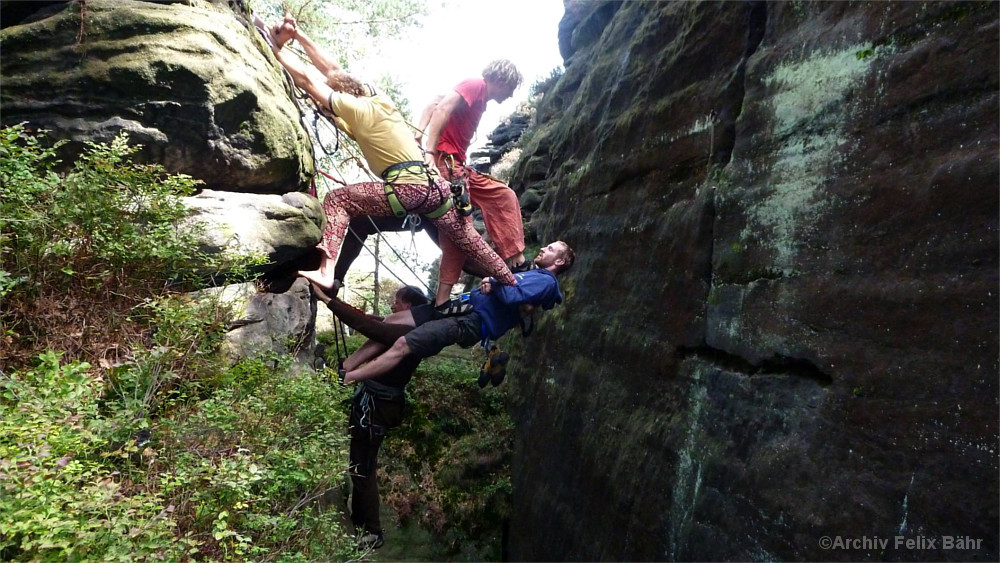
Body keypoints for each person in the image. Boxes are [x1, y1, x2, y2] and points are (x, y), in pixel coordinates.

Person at [267, 17, 516, 291]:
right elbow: (333, 71)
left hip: (408, 187)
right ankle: (514, 281)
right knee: (474, 243)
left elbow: (307, 81)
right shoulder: (379, 99)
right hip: (437, 190)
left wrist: (274, 48)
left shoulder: (358, 110)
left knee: (338, 200)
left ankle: (327, 271)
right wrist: (299, 36)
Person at [341, 241, 575, 385]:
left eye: (551, 248)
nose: (544, 248)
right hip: (460, 306)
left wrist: (493, 282)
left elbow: (513, 297)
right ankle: (346, 366)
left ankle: (344, 379)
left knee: (403, 343)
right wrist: (494, 281)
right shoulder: (534, 274)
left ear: (561, 261)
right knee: (390, 322)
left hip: (471, 321)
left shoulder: (545, 282)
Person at [313, 285, 430, 551]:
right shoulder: (404, 329)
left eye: (397, 302)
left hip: (379, 406)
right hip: (379, 403)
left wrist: (328, 301)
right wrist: (335, 301)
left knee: (363, 466)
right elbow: (370, 320)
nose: (392, 306)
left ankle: (373, 532)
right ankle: (360, 522)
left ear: (410, 308)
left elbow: (370, 327)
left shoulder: (408, 331)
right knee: (361, 463)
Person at [416, 60, 528, 306]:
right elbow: (443, 108)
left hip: (459, 167)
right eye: (510, 89)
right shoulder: (476, 85)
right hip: (448, 164)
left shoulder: (478, 97)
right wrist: (429, 151)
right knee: (464, 226)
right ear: (501, 81)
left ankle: (514, 261)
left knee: (500, 197)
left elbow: (435, 101)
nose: (510, 96)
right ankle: (515, 263)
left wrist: (419, 130)